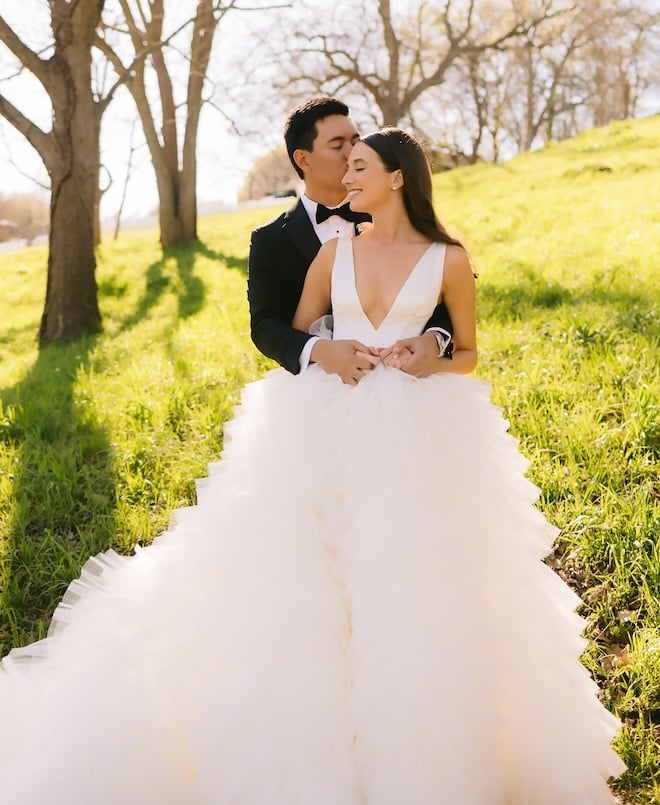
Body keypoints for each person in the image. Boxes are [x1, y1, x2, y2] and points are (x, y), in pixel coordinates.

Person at [0, 127, 625, 804]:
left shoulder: (449, 258)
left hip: (424, 429)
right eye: (344, 161)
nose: (348, 176)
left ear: (398, 179)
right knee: (313, 580)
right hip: (332, 420)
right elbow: (296, 335)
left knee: (417, 583)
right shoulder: (330, 255)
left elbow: (469, 350)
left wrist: (433, 350)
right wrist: (328, 352)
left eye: (361, 166)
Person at [248, 96, 454, 385]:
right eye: (337, 145)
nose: (353, 151)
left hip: (410, 381)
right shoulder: (270, 240)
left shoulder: (388, 210)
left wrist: (435, 339)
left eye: (355, 140)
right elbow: (265, 325)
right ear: (303, 159)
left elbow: (445, 283)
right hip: (322, 386)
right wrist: (321, 351)